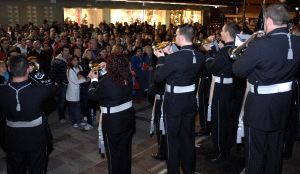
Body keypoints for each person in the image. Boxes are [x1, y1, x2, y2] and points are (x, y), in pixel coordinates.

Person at [232, 3, 300, 174]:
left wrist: (247, 50)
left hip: (259, 109)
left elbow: (238, 70)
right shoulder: (298, 42)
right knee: (275, 154)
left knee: (255, 156)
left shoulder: (260, 44)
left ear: (268, 20)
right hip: (283, 106)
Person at [153, 24, 205, 174]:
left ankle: (173, 171)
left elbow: (158, 77)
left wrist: (162, 59)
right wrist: (171, 56)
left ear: (181, 37)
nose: (174, 38)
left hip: (174, 103)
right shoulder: (200, 56)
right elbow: (183, 64)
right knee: (187, 138)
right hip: (189, 101)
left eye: (176, 35)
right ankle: (189, 170)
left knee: (172, 140)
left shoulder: (174, 58)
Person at [0, 55, 53, 174]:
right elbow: (51, 86)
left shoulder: (2, 91)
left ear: (9, 68)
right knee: (37, 169)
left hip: (13, 138)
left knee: (15, 169)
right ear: (28, 69)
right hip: (36, 138)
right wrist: (37, 73)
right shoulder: (39, 90)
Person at [88, 54, 135, 174]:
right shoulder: (128, 76)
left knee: (113, 155)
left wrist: (93, 79)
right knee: (125, 152)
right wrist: (105, 70)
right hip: (128, 119)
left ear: (111, 67)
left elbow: (92, 95)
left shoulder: (106, 82)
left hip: (113, 123)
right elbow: (113, 82)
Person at [206, 22, 241, 162]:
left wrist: (209, 52)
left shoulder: (225, 50)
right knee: (228, 120)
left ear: (227, 33)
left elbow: (212, 68)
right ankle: (227, 146)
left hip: (221, 90)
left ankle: (221, 151)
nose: (220, 32)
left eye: (222, 30)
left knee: (219, 122)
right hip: (232, 89)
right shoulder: (237, 48)